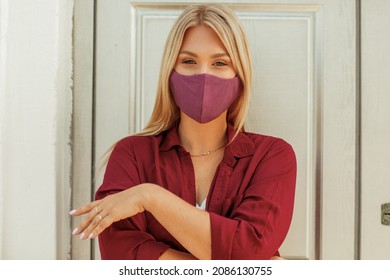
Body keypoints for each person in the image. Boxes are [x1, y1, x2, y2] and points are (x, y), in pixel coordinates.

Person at [69, 3, 297, 260]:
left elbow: (248, 250)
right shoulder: (131, 154)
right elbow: (120, 254)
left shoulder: (272, 156)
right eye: (188, 61)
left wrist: (149, 196)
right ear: (170, 73)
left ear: (240, 76)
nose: (203, 75)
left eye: (220, 62)